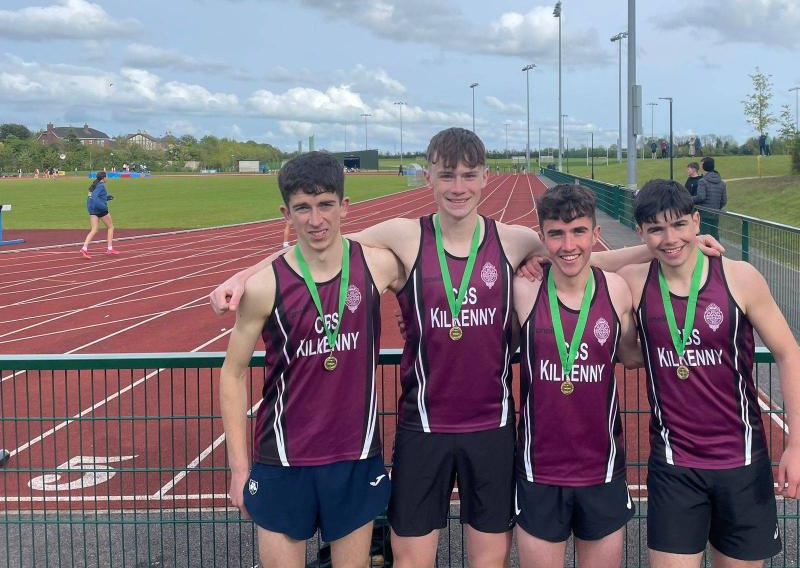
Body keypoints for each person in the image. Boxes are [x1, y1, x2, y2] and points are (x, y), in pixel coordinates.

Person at [210, 128, 726, 568]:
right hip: (422, 428)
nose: (458, 186)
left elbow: (582, 259)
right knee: (412, 559)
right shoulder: (405, 236)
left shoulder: (512, 240)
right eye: (446, 175)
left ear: (484, 177)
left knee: (489, 560)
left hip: (492, 430)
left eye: (468, 175)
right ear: (428, 178)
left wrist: (665, 248)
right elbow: (316, 245)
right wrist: (243, 275)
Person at [220, 152, 405, 568]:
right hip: (284, 458)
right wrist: (238, 469)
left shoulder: (376, 266)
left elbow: (442, 270)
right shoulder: (264, 285)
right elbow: (232, 374)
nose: (316, 219)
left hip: (355, 455)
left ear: (344, 206)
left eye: (325, 204)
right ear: (286, 214)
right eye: (303, 207)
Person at [617, 180, 800, 568]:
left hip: (742, 462)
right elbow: (574, 260)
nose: (670, 239)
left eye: (679, 225)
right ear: (640, 232)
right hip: (674, 465)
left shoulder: (739, 278)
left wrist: (799, 445)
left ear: (697, 221)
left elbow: (789, 354)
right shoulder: (633, 282)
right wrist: (651, 249)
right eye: (656, 229)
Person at [512, 184, 641, 568]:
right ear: (541, 237)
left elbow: (631, 356)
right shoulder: (523, 289)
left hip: (602, 467)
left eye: (579, 231)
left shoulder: (617, 290)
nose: (568, 245)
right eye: (556, 234)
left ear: (595, 234)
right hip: (539, 469)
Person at [81, 171, 117, 258]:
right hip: (101, 210)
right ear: (103, 178)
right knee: (111, 227)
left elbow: (92, 198)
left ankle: (84, 248)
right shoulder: (101, 186)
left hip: (93, 210)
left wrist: (107, 198)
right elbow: (94, 197)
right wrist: (103, 207)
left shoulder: (94, 185)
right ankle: (109, 248)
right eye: (107, 176)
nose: (107, 178)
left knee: (94, 230)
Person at [693, 157, 726, 240]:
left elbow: (701, 197)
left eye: (701, 165)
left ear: (704, 166)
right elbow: (724, 200)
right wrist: (716, 207)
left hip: (704, 214)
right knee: (714, 236)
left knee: (704, 237)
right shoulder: (722, 183)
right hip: (715, 214)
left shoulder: (702, 181)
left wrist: (689, 199)